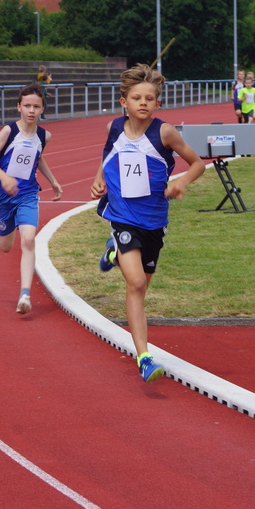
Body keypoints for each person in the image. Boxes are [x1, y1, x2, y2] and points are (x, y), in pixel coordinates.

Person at [90, 64, 205, 383]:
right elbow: (107, 155)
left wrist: (181, 182)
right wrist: (98, 180)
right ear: (124, 102)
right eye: (137, 97)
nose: (143, 103)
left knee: (141, 288)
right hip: (122, 216)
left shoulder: (164, 132)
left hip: (154, 221)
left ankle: (113, 254)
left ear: (157, 103)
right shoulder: (114, 127)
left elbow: (197, 164)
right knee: (136, 283)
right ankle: (143, 357)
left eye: (150, 98)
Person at [0, 81, 62, 314]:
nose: (31, 110)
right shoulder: (9, 131)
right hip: (4, 196)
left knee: (28, 240)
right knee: (7, 246)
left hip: (27, 194)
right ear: (19, 107)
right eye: (26, 105)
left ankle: (25, 295)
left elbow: (37, 158)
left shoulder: (44, 136)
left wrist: (53, 180)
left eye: (36, 107)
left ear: (42, 109)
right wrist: (4, 178)